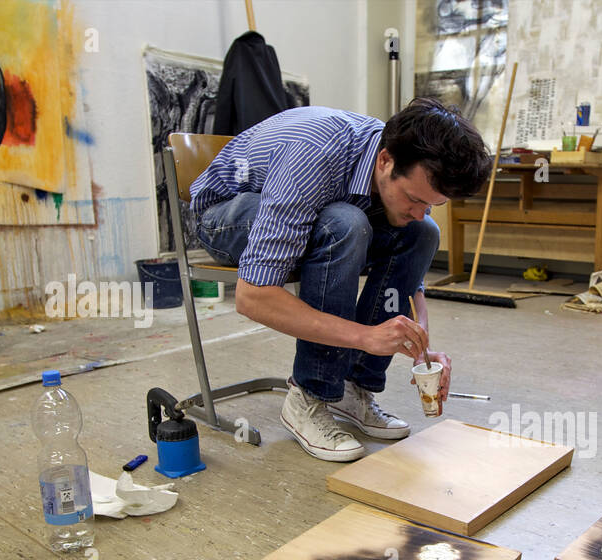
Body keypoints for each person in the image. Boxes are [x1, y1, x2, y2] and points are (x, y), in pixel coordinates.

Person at [189, 98, 492, 461]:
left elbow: (410, 286)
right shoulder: (313, 156)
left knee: (422, 231)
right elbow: (253, 297)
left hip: (317, 205)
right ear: (385, 161)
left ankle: (354, 387)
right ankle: (310, 395)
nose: (420, 209)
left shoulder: (398, 160)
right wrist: (366, 337)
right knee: (344, 225)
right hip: (225, 215)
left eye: (432, 203)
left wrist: (420, 344)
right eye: (413, 198)